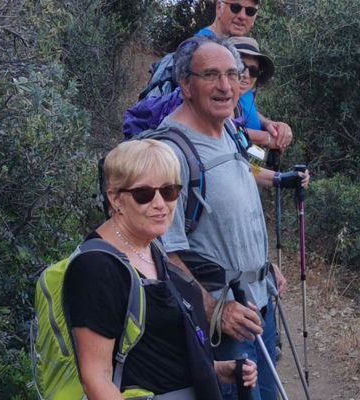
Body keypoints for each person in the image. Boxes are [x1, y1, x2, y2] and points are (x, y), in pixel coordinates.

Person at [153, 36, 307, 400]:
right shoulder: (169, 153)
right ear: (186, 84)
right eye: (211, 75)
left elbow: (238, 204)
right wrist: (214, 309)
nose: (226, 86)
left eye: (233, 75)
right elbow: (162, 252)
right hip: (223, 318)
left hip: (259, 300)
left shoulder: (231, 132)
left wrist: (263, 266)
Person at [62, 139, 258, 400]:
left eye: (169, 191)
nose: (160, 204)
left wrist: (217, 370)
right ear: (115, 198)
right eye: (144, 194)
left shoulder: (151, 248)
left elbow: (154, 353)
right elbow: (96, 378)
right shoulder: (97, 268)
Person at [138, 0, 292, 151]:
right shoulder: (200, 50)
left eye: (250, 11)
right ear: (219, 7)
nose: (242, 16)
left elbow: (238, 102)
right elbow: (203, 122)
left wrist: (267, 123)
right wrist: (266, 138)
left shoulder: (237, 51)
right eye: (236, 7)